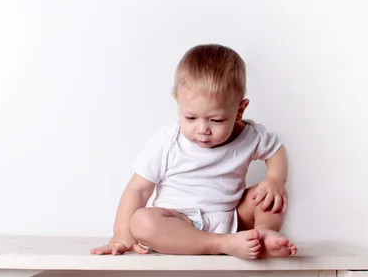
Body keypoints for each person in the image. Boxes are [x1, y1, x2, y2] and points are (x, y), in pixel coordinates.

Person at [91, 44, 297, 259]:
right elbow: (138, 190)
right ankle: (220, 244)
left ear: (239, 110)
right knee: (141, 221)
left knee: (269, 195)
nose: (203, 130)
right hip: (178, 223)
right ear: (177, 101)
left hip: (231, 219)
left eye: (216, 120)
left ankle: (262, 234)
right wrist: (122, 235)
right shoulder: (168, 141)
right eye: (190, 118)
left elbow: (275, 150)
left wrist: (275, 180)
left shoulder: (250, 135)